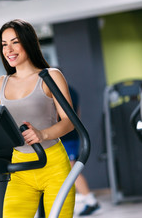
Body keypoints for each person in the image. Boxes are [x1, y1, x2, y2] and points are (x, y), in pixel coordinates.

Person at [0, 19, 75, 217]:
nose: (8, 49)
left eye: (15, 42)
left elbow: (69, 121)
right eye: (4, 44)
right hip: (20, 167)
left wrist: (42, 134)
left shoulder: (50, 76)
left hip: (53, 164)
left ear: (28, 42)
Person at [61, 86, 100, 216]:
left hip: (66, 136)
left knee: (72, 169)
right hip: (70, 134)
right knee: (68, 170)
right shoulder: (72, 90)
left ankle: (90, 200)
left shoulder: (61, 91)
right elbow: (78, 113)